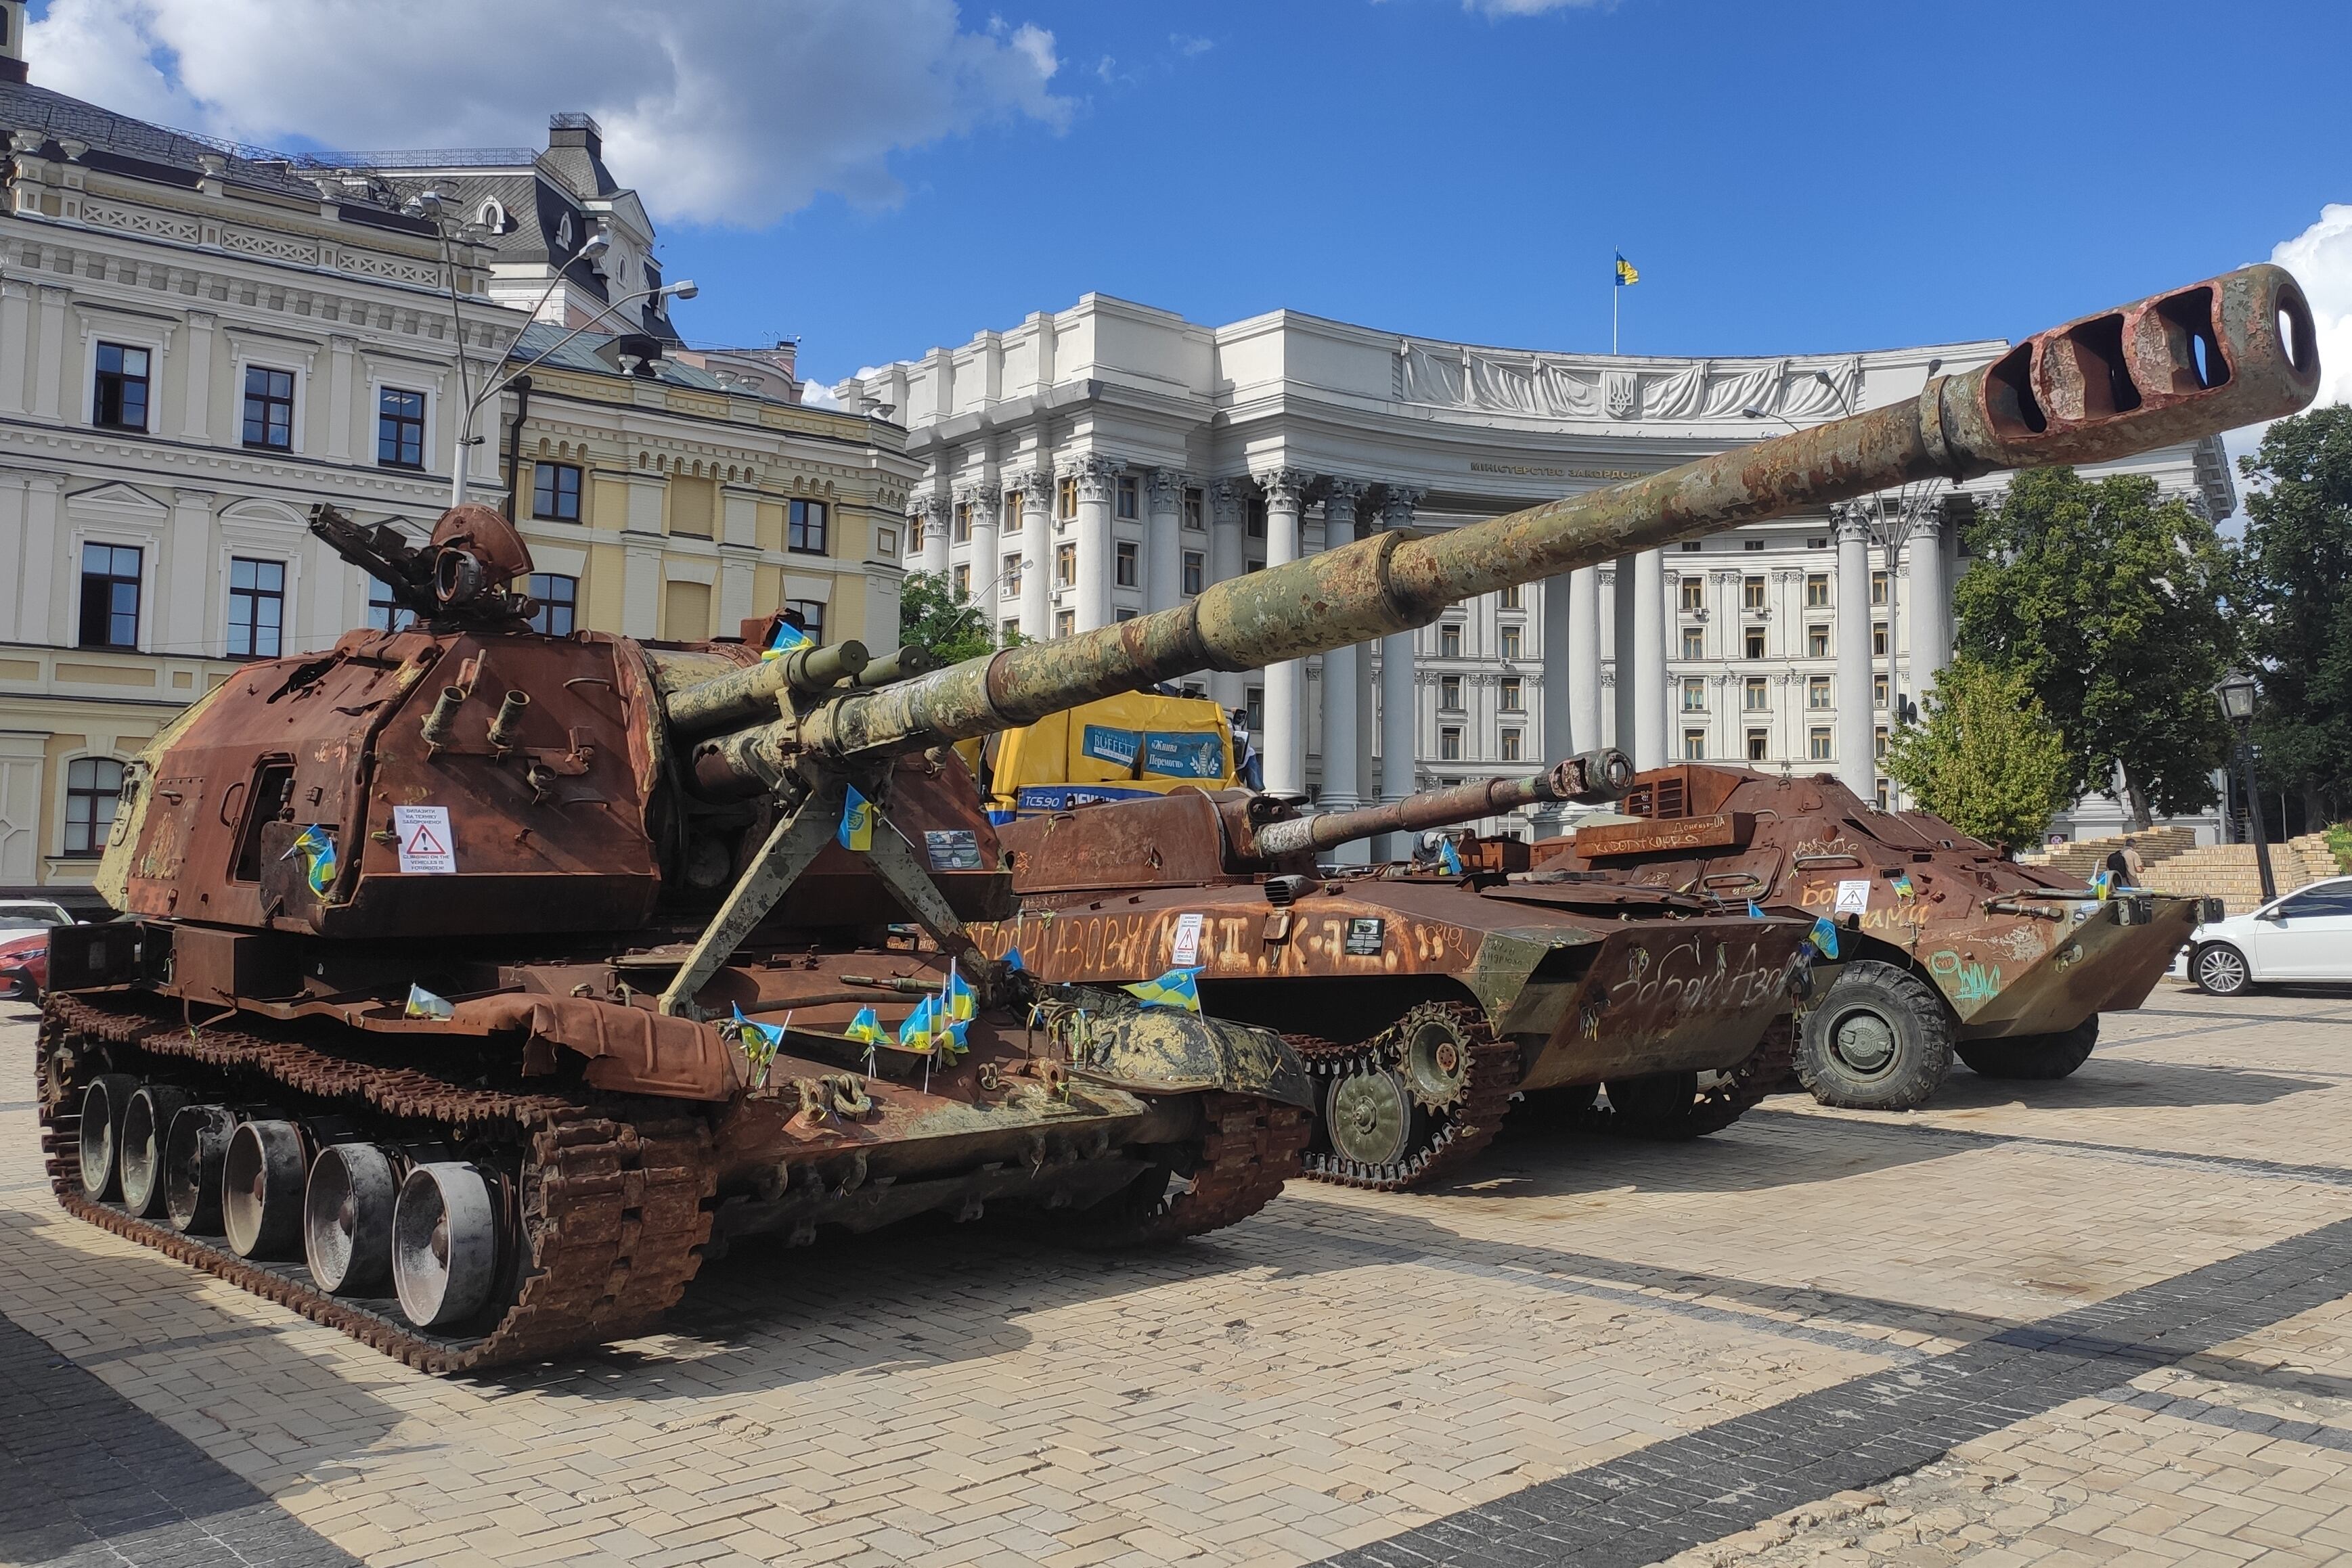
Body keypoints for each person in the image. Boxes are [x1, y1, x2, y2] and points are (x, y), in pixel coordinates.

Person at [1230, 709, 1263, 791]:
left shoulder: (1231, 726)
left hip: (1246, 756)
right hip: (1234, 762)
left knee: (1255, 784)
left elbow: (1241, 716)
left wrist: (1236, 712)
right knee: (1237, 787)